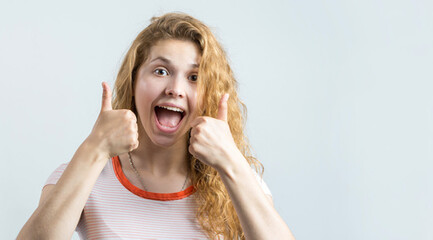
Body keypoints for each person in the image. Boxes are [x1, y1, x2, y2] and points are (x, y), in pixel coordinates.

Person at [17, 12, 295, 239]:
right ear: (134, 82)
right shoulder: (86, 174)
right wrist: (94, 149)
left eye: (194, 77)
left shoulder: (237, 181)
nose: (175, 88)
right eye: (161, 71)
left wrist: (230, 161)